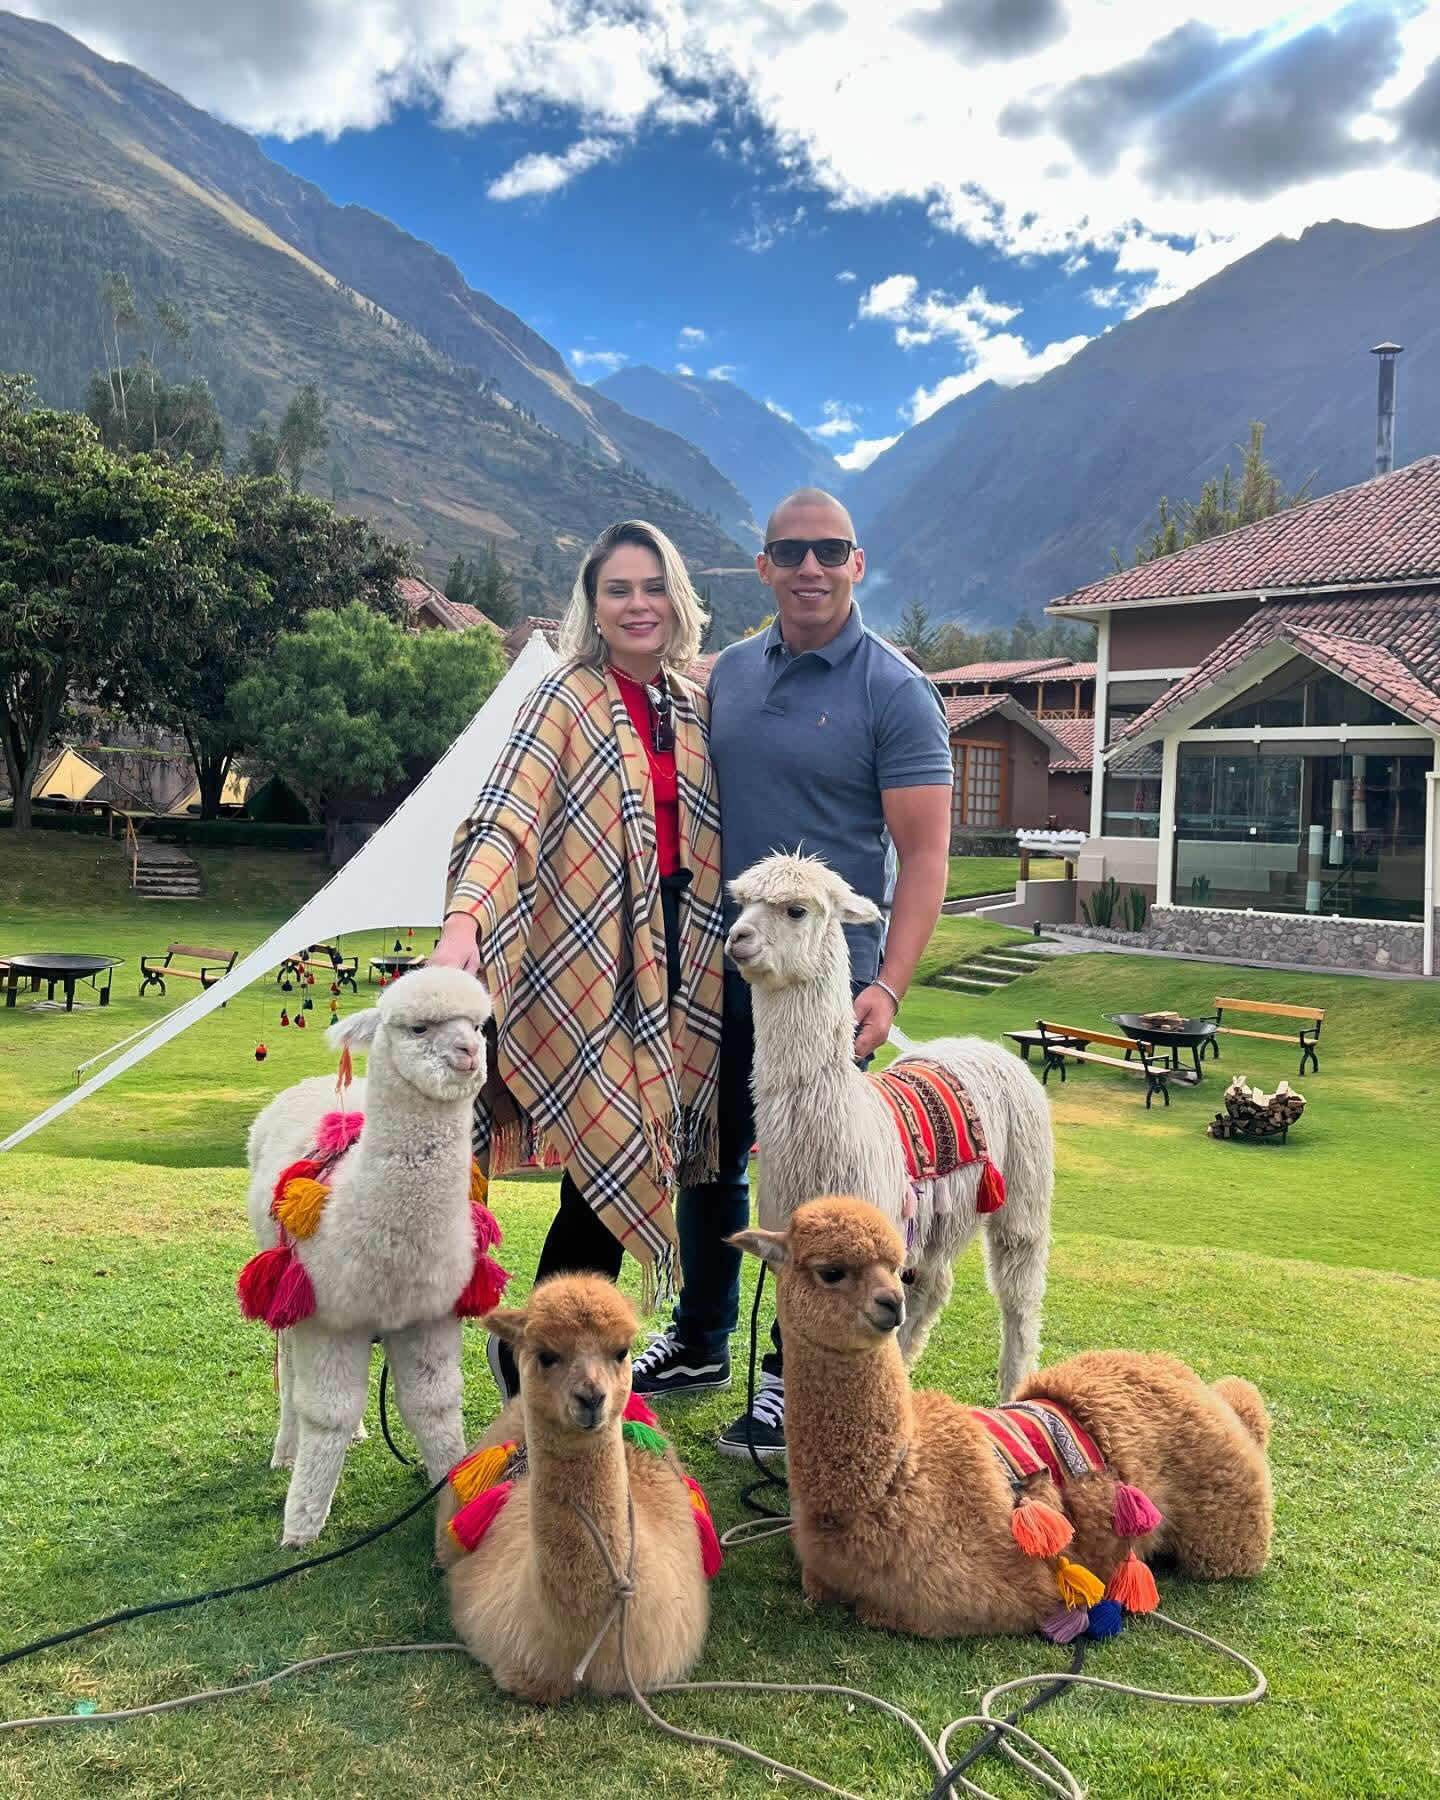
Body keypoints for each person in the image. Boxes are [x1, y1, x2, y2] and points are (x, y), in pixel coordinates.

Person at [630, 488, 953, 1457]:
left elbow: (925, 856)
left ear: (858, 564)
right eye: (792, 551)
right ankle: (700, 1339)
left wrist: (887, 985)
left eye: (831, 550)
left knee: (822, 1176)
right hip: (722, 960)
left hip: (824, 982)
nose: (811, 567)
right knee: (711, 1152)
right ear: (763, 566)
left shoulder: (895, 691)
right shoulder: (728, 676)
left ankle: (791, 1372)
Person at [431, 520, 726, 1400]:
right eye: (617, 590)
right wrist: (464, 923)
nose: (638, 605)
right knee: (602, 1168)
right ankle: (539, 1361)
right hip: (591, 967)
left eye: (653, 587)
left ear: (677, 599)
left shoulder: (692, 707)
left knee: (616, 1170)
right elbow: (506, 814)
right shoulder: (563, 696)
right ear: (592, 608)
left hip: (680, 964)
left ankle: (548, 1354)